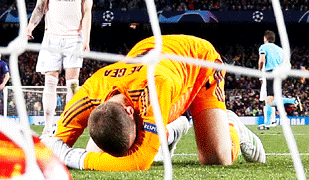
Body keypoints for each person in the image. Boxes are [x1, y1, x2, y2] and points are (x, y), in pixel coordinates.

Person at [42, 35, 266, 171]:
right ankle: (170, 133)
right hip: (151, 55)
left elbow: (140, 162)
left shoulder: (155, 87)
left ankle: (234, 127)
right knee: (102, 150)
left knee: (217, 159)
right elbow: (52, 150)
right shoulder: (86, 95)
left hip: (199, 63)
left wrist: (73, 157)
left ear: (131, 111)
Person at [26, 0, 94, 136]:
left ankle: (66, 125)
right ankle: (48, 127)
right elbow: (40, 6)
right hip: (52, 38)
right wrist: (30, 26)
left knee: (72, 83)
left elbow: (87, 11)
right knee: (50, 82)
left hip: (75, 38)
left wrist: (86, 39)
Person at [257, 30, 299, 129]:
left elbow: (262, 60)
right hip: (279, 74)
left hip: (270, 73)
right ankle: (267, 124)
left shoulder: (263, 47)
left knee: (269, 99)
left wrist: (259, 70)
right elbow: (287, 63)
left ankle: (292, 101)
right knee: (270, 99)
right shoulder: (280, 50)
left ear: (265, 38)